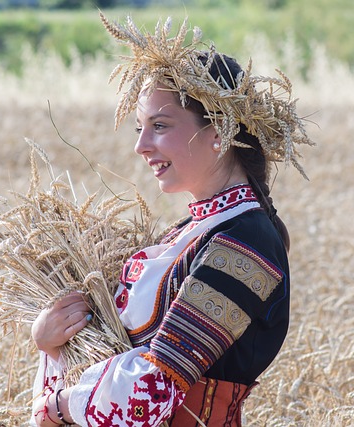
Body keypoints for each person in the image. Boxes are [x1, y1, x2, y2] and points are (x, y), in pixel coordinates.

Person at [30, 13, 312, 427]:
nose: (141, 146)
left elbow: (153, 389)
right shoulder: (185, 235)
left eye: (159, 126)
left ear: (219, 130)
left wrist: (56, 407)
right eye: (139, 128)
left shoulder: (246, 243)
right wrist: (51, 344)